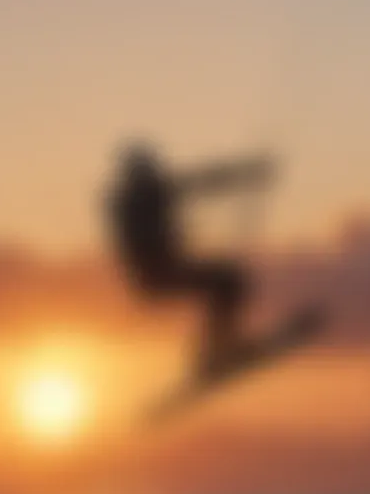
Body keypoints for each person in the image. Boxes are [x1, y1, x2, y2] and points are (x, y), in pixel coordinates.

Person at [108, 142, 276, 378]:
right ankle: (213, 355)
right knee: (227, 283)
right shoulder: (140, 198)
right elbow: (202, 183)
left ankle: (214, 352)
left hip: (159, 275)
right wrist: (248, 174)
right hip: (157, 277)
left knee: (226, 283)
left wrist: (246, 174)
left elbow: (202, 182)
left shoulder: (138, 197)